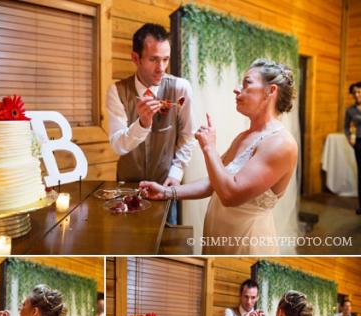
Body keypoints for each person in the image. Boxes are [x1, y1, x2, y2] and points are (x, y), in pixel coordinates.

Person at [140, 59, 298, 255]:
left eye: (246, 83)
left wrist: (209, 148)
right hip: (218, 236)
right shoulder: (244, 137)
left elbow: (230, 194)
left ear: (270, 91)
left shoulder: (281, 143)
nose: (236, 89)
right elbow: (214, 182)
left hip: (247, 242)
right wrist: (166, 193)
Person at [107, 23, 195, 223]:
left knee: (166, 242)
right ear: (135, 58)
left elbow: (187, 135)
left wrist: (177, 172)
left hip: (165, 187)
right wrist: (143, 124)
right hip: (127, 191)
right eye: (154, 59)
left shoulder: (180, 89)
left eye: (165, 59)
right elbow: (118, 145)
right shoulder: (117, 92)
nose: (161, 68)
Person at [344, 82, 361, 215]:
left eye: (359, 92)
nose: (356, 95)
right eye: (354, 93)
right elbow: (346, 127)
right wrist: (349, 137)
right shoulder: (350, 110)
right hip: (359, 143)